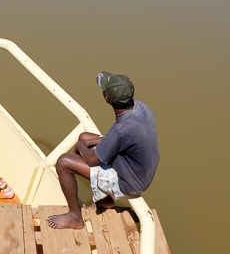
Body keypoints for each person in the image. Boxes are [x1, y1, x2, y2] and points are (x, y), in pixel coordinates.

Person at [47, 72, 160, 230]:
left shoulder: (120, 130)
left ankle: (75, 217)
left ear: (107, 98)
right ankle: (104, 200)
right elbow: (121, 139)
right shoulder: (140, 107)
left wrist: (80, 146)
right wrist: (89, 141)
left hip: (131, 180)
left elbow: (93, 159)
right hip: (141, 167)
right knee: (84, 136)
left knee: (64, 162)